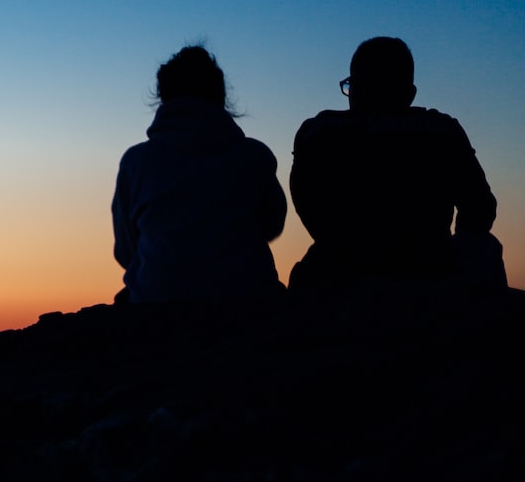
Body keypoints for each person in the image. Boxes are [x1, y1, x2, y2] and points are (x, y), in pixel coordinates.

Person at [289, 36, 502, 289]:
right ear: (409, 94)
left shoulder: (318, 133)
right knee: (485, 247)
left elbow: (306, 202)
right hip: (429, 278)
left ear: (355, 86)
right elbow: (480, 210)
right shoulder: (442, 133)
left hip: (338, 274)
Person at [112, 46, 287, 301]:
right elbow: (272, 225)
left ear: (163, 97)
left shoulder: (136, 162)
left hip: (158, 302)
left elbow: (126, 251)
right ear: (221, 95)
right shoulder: (254, 155)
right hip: (247, 298)